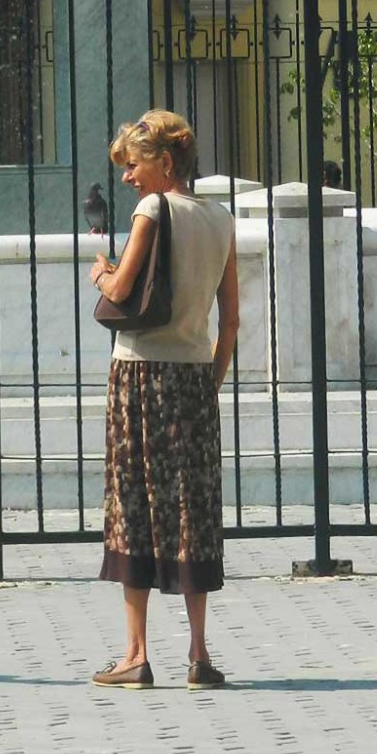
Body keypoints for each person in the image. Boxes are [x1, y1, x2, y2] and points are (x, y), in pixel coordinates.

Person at [88, 110, 238, 691]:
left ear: (165, 163)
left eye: (133, 164)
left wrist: (100, 272)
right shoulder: (221, 218)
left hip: (139, 377)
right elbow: (231, 323)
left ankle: (135, 654)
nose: (127, 176)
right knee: (191, 514)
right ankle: (199, 654)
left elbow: (123, 289)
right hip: (194, 379)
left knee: (134, 511)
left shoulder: (154, 209)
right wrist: (210, 383)